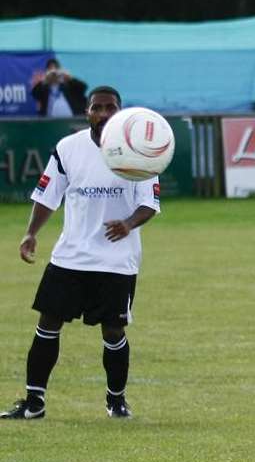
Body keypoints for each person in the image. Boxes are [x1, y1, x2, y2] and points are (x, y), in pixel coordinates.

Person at [1, 86, 159, 421]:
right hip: (70, 256)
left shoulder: (139, 152)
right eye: (96, 108)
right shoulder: (68, 148)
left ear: (120, 111)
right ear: (86, 111)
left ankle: (116, 401)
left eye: (110, 108)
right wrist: (31, 233)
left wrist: (129, 223)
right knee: (48, 323)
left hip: (116, 261)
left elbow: (150, 203)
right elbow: (47, 196)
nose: (103, 114)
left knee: (113, 332)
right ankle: (34, 404)